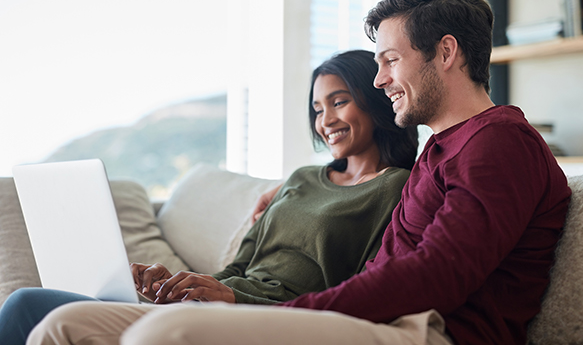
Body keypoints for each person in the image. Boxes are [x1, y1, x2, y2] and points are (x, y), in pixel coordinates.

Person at [26, 0, 571, 345]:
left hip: (426, 333)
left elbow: (439, 274)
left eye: (391, 60)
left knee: (162, 335)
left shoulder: (500, 143)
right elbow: (377, 265)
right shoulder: (441, 148)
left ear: (446, 53)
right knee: (64, 324)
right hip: (381, 322)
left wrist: (294, 314)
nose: (381, 80)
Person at [0, 49, 418, 345]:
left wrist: (232, 296)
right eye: (316, 109)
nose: (324, 121)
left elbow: (358, 289)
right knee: (29, 306)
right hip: (213, 306)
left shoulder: (396, 189)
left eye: (338, 102)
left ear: (376, 100)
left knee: (28, 306)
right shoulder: (302, 179)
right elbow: (239, 267)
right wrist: (175, 285)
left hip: (265, 320)